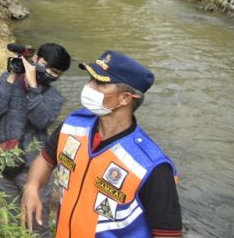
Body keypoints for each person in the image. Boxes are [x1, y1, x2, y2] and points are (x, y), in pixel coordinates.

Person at [22, 51, 182, 237]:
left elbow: (168, 234)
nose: (88, 87)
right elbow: (46, 159)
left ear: (125, 98)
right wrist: (32, 186)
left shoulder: (151, 167)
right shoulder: (73, 125)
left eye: (99, 83)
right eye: (90, 79)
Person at [0, 43, 71, 237]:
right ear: (35, 60)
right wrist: (12, 76)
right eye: (46, 66)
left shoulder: (53, 97)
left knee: (36, 226)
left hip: (33, 170)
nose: (49, 73)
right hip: (5, 162)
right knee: (12, 221)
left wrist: (34, 87)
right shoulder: (10, 80)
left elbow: (41, 120)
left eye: (56, 72)